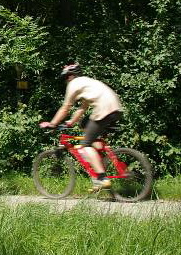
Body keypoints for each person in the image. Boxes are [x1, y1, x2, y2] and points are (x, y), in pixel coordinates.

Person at [39, 63, 124, 192]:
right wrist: (70, 122)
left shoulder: (73, 84)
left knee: (85, 145)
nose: (66, 81)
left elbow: (65, 108)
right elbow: (82, 108)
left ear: (70, 76)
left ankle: (102, 178)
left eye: (66, 78)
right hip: (116, 108)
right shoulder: (87, 83)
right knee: (85, 125)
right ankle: (98, 166)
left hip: (104, 109)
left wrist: (52, 124)